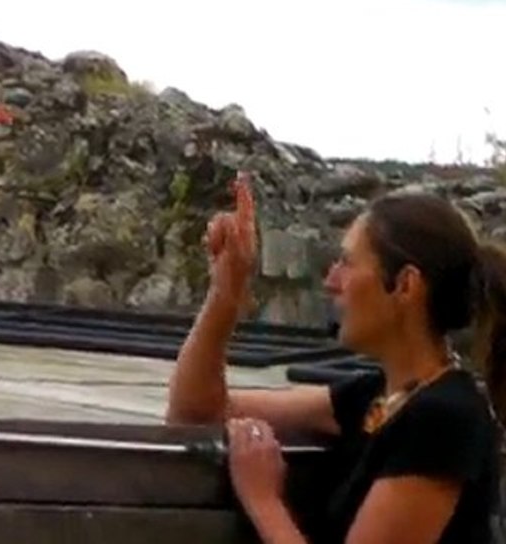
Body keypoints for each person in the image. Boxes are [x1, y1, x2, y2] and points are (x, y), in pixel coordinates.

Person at [165, 172, 506, 543]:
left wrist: (263, 500)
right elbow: (196, 411)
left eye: (347, 262)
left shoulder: (444, 419)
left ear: (405, 285)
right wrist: (227, 289)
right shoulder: (377, 398)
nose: (331, 281)